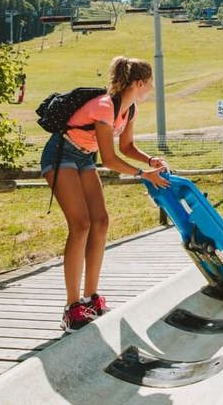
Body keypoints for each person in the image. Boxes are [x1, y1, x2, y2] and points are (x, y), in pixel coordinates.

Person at [41, 56, 170, 333]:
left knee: (100, 222)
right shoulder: (104, 107)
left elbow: (127, 147)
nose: (150, 89)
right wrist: (141, 174)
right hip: (61, 152)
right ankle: (72, 308)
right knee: (81, 224)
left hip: (84, 157)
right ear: (138, 82)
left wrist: (150, 161)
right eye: (148, 84)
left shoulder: (129, 109)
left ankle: (91, 298)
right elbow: (110, 159)